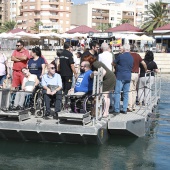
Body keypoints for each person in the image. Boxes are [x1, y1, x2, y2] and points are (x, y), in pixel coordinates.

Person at [112, 44, 134, 114]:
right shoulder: (131, 57)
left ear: (124, 49)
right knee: (126, 93)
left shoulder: (120, 56)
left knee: (117, 93)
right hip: (128, 76)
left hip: (120, 76)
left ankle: (116, 109)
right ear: (129, 49)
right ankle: (124, 109)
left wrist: (117, 66)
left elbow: (113, 63)